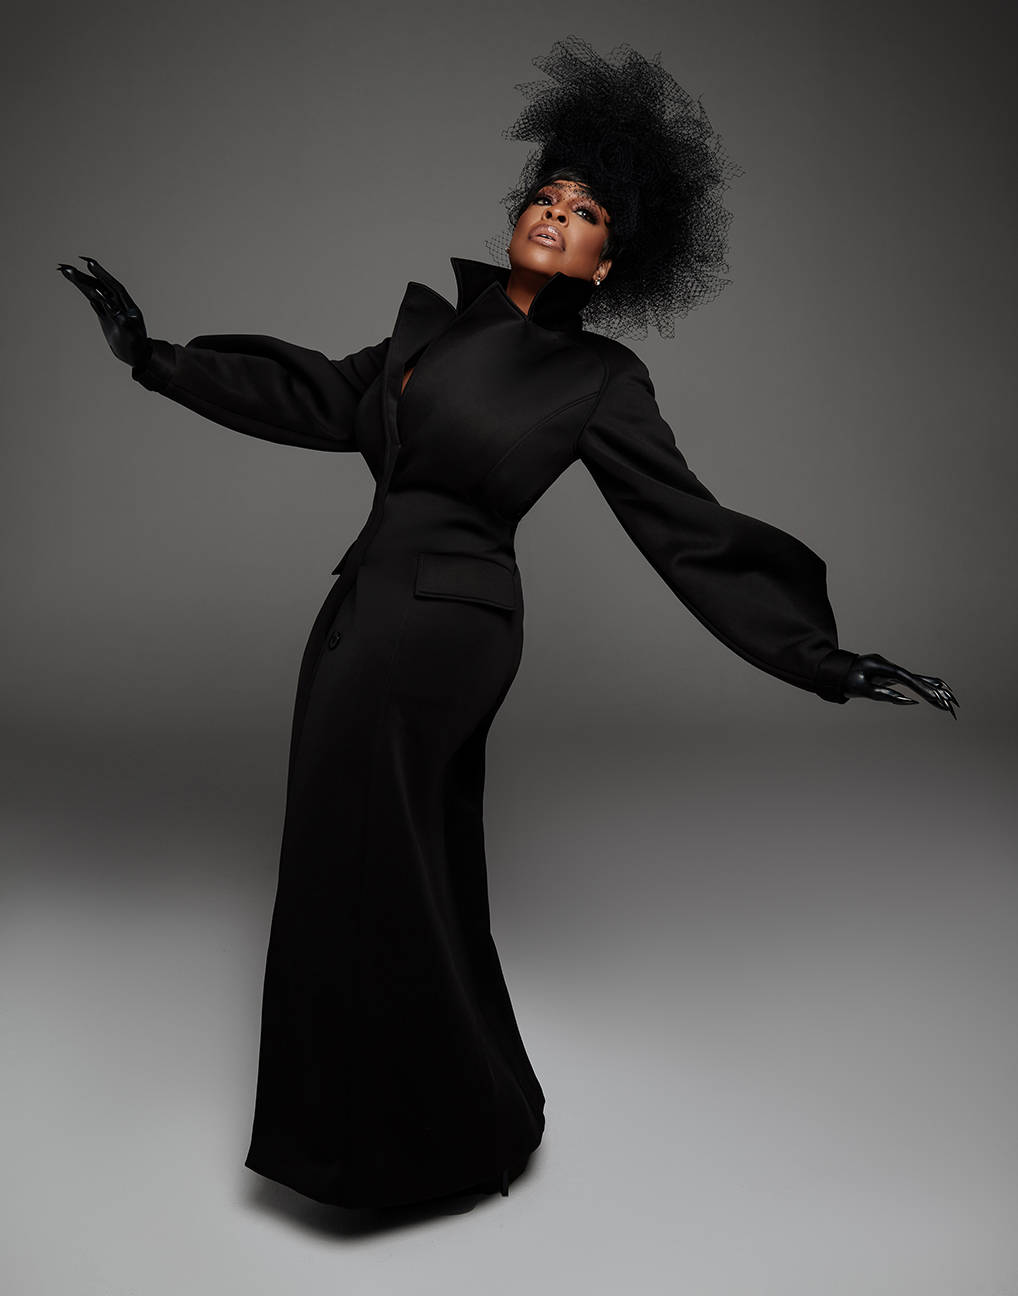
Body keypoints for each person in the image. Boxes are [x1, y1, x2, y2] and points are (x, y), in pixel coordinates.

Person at [57, 36, 957, 1212]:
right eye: (547, 196)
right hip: (365, 603)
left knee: (365, 850)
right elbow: (314, 395)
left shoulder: (597, 379)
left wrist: (821, 659)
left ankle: (382, 1152)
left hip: (447, 624)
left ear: (608, 262)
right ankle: (458, 1123)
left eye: (584, 214)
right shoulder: (430, 332)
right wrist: (153, 358)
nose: (555, 214)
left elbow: (683, 528)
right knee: (386, 853)